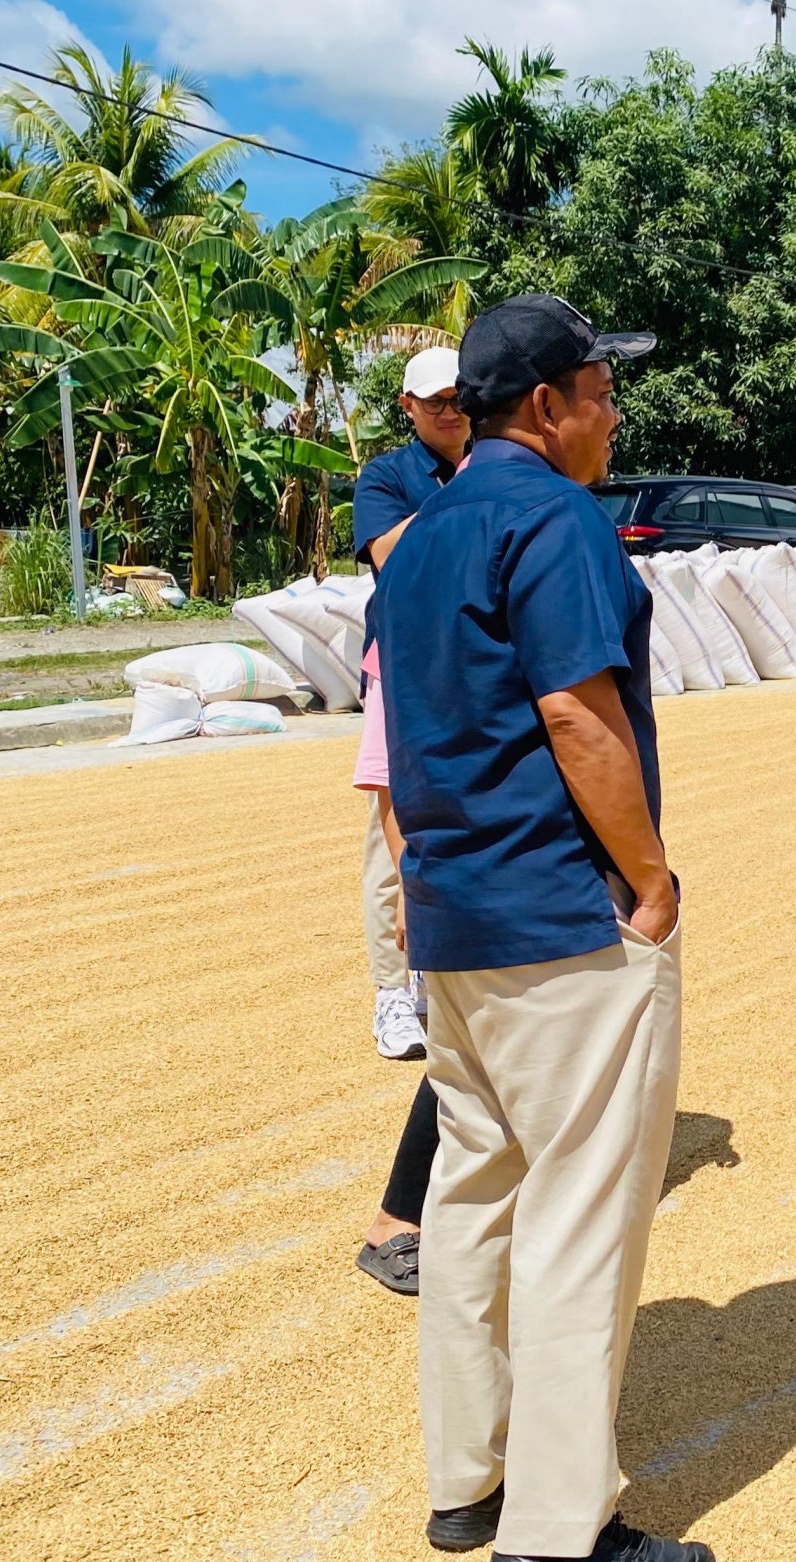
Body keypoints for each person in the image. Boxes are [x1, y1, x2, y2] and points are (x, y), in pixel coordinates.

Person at [378, 294, 714, 1562]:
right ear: (545, 405)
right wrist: (648, 877)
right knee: (580, 1215)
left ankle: (468, 1479)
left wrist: (422, 880)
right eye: (599, 388)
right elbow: (577, 712)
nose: (613, 412)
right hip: (564, 919)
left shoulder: (418, 539)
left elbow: (401, 735)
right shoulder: (555, 520)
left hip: (456, 916)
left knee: (474, 1195)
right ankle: (556, 1542)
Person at [350, 346, 472, 1296]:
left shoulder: (480, 466)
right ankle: (398, 987)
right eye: (435, 403)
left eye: (461, 400)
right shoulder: (389, 476)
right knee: (392, 855)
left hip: (458, 693)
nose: (451, 413)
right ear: (408, 406)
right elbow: (399, 561)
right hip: (409, 673)